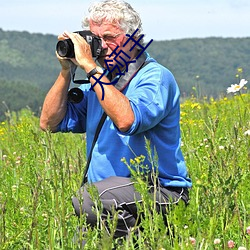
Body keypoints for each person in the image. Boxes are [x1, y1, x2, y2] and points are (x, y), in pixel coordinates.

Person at [40, 0, 192, 244]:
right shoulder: (101, 83)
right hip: (110, 199)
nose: (101, 46)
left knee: (88, 200)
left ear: (134, 38)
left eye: (110, 37)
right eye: (95, 38)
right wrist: (66, 70)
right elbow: (49, 123)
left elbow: (127, 120)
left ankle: (146, 241)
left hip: (160, 192)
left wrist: (90, 67)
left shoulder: (154, 77)